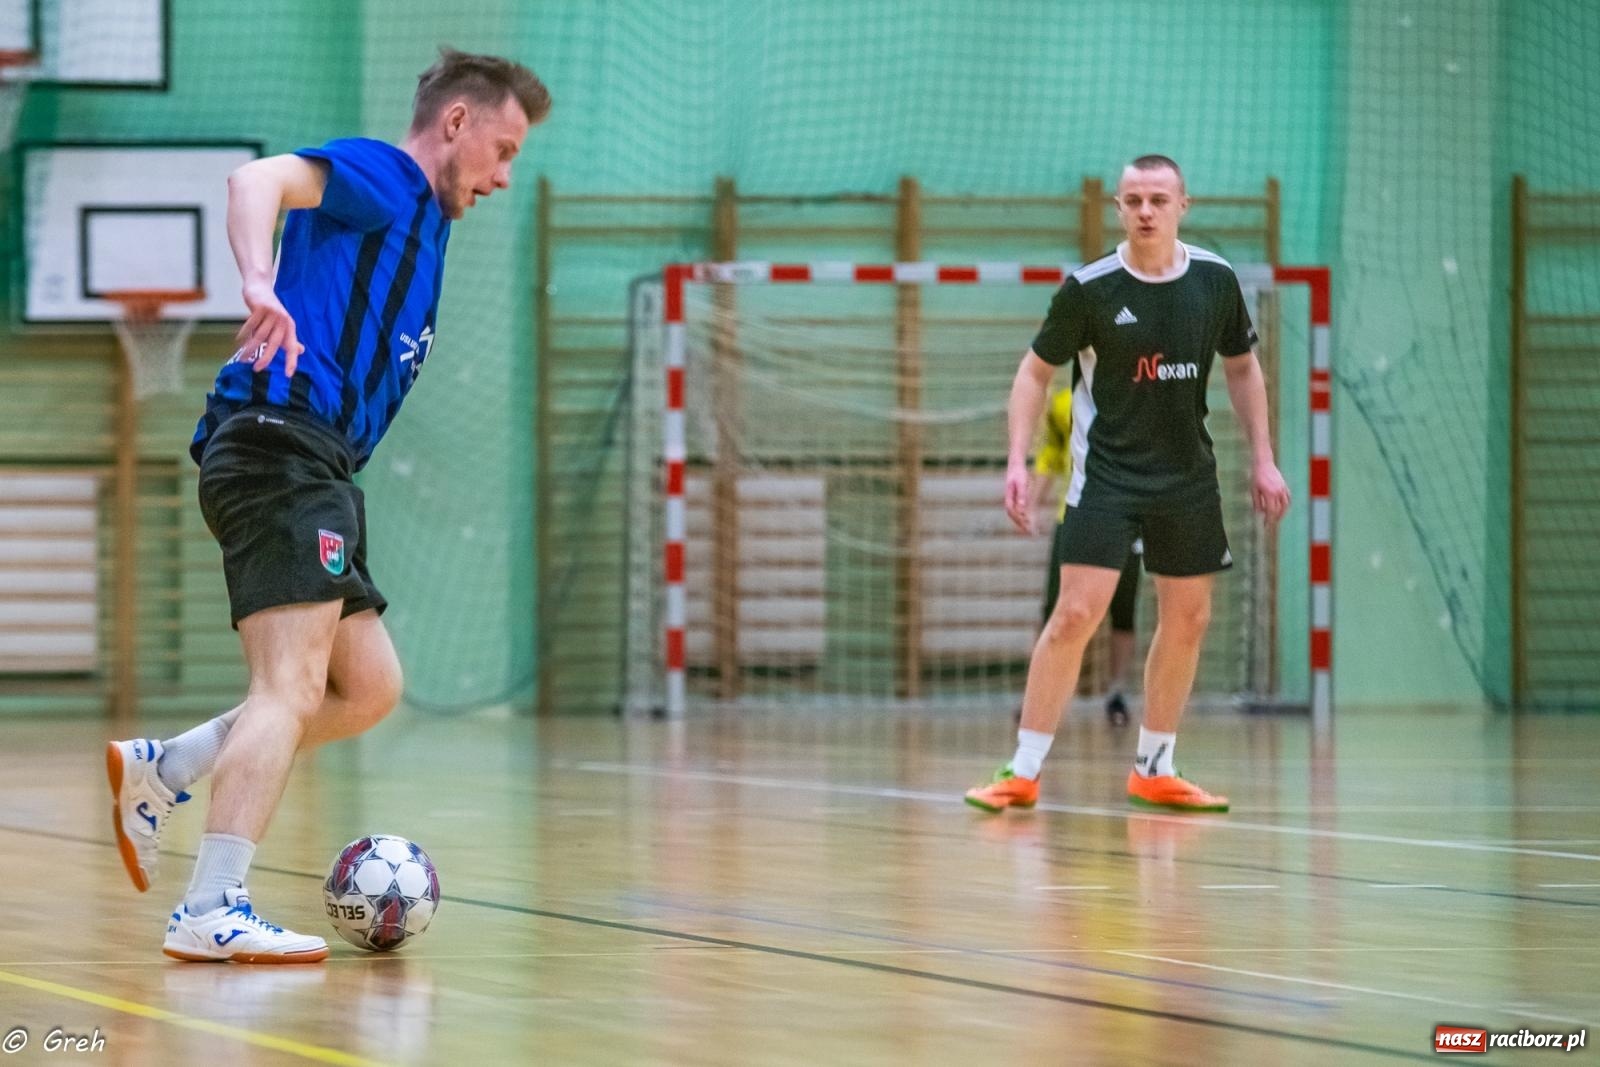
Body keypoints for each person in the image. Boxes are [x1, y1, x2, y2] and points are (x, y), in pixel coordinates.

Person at [105, 48, 550, 962]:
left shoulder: (427, 226)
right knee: (293, 686)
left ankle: (168, 766)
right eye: (502, 150)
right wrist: (258, 281)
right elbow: (256, 178)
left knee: (369, 686)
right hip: (282, 443)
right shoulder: (387, 177)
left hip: (316, 462)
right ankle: (210, 905)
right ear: (456, 123)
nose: (505, 177)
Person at [965, 154, 1290, 815]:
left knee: (1189, 618)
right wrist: (1016, 461)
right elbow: (1034, 374)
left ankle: (1154, 765)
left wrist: (1264, 457)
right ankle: (1021, 768)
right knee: (1076, 613)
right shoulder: (1090, 289)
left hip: (1186, 476)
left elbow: (1242, 371)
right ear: (1118, 207)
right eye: (1133, 199)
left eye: (1158, 200)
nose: (1146, 211)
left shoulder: (1215, 280)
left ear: (1182, 207)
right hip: (1106, 476)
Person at [1031, 384, 1142, 726]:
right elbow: (1051, 452)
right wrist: (1033, 501)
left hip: (1128, 516)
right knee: (1056, 608)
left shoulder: (1137, 394)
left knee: (1123, 609)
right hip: (1075, 515)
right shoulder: (1063, 402)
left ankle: (1116, 692)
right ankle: (1041, 696)